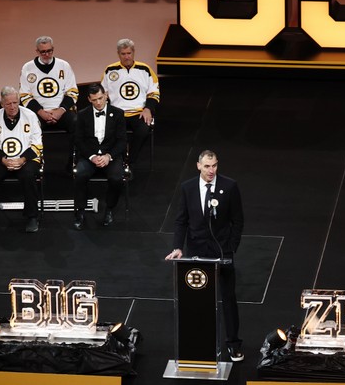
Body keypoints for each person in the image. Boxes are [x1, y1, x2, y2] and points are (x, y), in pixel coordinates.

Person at [165, 150, 245, 363]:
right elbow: (181, 220)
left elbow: (238, 220)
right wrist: (178, 247)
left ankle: (234, 344)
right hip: (197, 252)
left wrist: (231, 247)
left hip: (222, 251)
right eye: (208, 166)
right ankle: (199, 341)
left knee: (228, 298)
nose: (212, 170)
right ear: (198, 166)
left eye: (215, 166)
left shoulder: (229, 186)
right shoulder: (188, 188)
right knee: (198, 298)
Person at [0, 87, 43, 233]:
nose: (13, 106)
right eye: (8, 104)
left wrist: (22, 159)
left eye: (15, 102)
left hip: (26, 159)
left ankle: (32, 217)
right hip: (2, 160)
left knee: (28, 175)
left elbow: (37, 143)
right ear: (2, 103)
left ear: (19, 100)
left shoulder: (31, 115)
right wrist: (3, 160)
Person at [101, 38, 160, 173]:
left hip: (138, 112)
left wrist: (148, 109)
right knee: (111, 132)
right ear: (118, 54)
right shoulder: (110, 70)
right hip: (117, 113)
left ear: (133, 52)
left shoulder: (145, 69)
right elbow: (103, 94)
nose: (126, 56)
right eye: (123, 54)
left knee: (143, 129)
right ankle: (118, 160)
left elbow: (154, 92)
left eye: (129, 53)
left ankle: (130, 161)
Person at [73, 83, 127, 230]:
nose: (98, 102)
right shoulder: (82, 115)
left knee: (116, 178)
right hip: (89, 156)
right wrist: (91, 156)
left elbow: (122, 141)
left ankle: (109, 209)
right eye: (94, 99)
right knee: (80, 175)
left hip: (111, 155)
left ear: (106, 95)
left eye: (100, 98)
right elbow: (78, 140)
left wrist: (108, 156)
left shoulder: (118, 114)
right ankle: (80, 211)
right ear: (89, 99)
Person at [19, 36, 79, 135]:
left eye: (49, 51)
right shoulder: (27, 68)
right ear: (37, 51)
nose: (47, 54)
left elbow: (72, 92)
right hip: (38, 113)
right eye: (43, 52)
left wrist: (59, 111)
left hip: (61, 112)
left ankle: (75, 151)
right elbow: (25, 95)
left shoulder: (64, 65)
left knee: (76, 122)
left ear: (53, 49)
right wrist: (41, 112)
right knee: (27, 126)